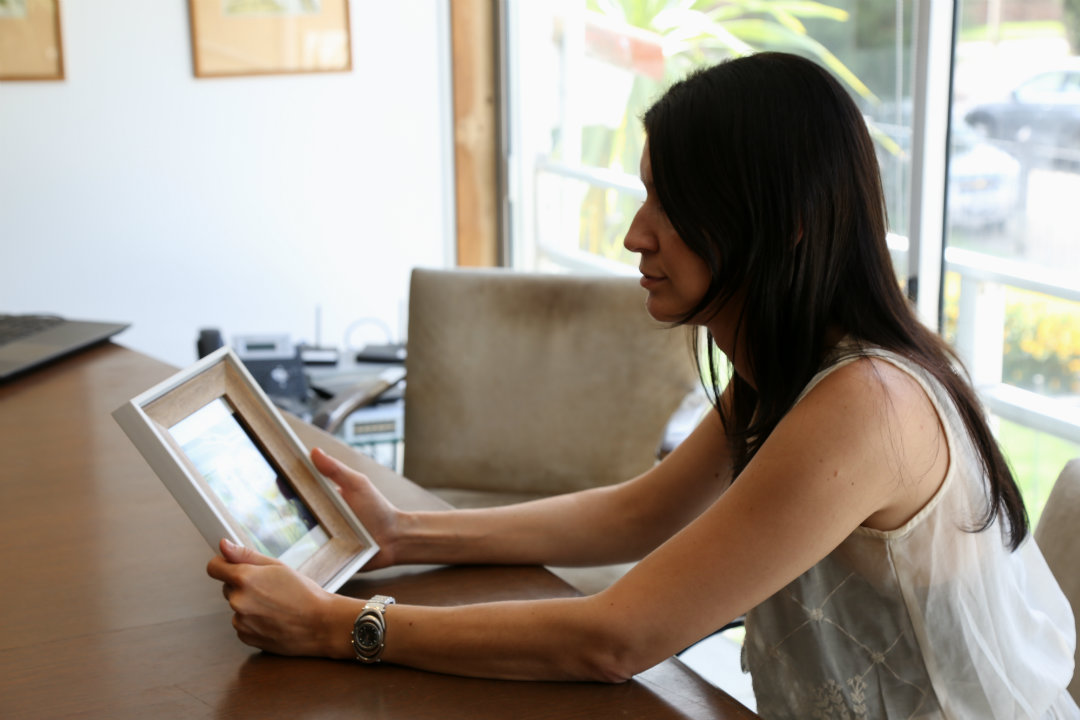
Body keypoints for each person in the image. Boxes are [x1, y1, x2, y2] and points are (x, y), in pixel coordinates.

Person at [207, 52, 1078, 718]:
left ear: (786, 226)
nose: (633, 235)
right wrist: (404, 531)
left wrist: (336, 626)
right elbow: (637, 514)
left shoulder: (868, 406)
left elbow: (616, 637)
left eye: (668, 205)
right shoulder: (796, 368)